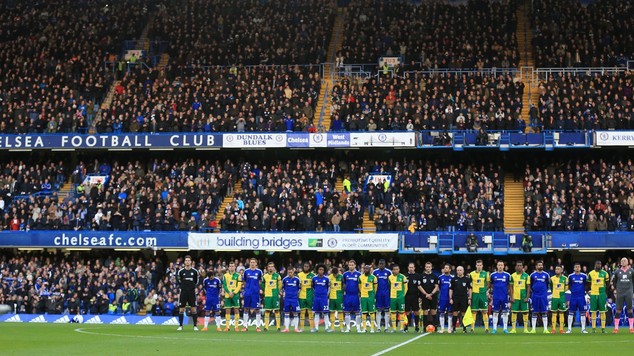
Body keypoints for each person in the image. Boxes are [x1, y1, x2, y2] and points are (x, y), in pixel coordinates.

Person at [176, 255, 200, 331]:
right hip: (183, 292)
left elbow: (197, 281)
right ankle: (180, 325)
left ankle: (195, 326)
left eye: (188, 260)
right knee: (181, 309)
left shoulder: (195, 271)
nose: (187, 262)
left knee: (193, 309)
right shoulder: (181, 271)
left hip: (191, 292)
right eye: (186, 260)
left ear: (191, 262)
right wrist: (183, 287)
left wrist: (192, 287)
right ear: (184, 262)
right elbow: (178, 281)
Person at [611, 257, 634, 333]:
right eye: (622, 261)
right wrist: (616, 289)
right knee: (618, 310)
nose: (623, 262)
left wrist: (632, 291)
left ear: (628, 262)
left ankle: (631, 328)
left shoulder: (631, 271)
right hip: (620, 293)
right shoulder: (617, 271)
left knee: (630, 309)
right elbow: (614, 281)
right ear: (620, 263)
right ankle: (616, 328)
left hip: (628, 292)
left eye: (625, 261)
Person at [241, 258, 264, 332]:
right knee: (246, 308)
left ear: (256, 263)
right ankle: (245, 326)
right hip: (247, 293)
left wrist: (258, 288)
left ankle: (258, 326)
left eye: (254, 262)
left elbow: (261, 281)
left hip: (255, 293)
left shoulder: (259, 272)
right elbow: (244, 281)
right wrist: (247, 289)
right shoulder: (246, 271)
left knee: (257, 309)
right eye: (251, 262)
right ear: (249, 263)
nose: (252, 263)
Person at [588, 260, 610, 333]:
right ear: (595, 265)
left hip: (602, 295)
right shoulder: (591, 273)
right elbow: (588, 284)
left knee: (602, 312)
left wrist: (605, 293)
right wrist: (589, 291)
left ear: (601, 265)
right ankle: (593, 328)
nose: (598, 265)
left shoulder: (605, 273)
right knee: (593, 312)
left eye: (600, 264)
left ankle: (603, 328)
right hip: (593, 294)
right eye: (597, 264)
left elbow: (607, 284)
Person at [468, 259, 490, 332]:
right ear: (476, 266)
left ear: (482, 266)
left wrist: (485, 290)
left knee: (484, 311)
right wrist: (470, 296)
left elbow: (488, 284)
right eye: (478, 265)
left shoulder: (486, 274)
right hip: (475, 295)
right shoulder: (471, 274)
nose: (479, 267)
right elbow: (469, 285)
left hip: (483, 295)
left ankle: (486, 328)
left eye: (480, 265)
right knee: (474, 312)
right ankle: (472, 328)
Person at [490, 261, 511, 334]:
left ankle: (505, 328)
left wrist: (509, 295)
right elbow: (491, 285)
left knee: (505, 313)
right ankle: (494, 329)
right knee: (495, 313)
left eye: (501, 265)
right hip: (496, 297)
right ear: (497, 266)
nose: (500, 266)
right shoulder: (492, 275)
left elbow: (510, 286)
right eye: (499, 265)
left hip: (504, 296)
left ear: (504, 266)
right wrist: (491, 294)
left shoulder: (507, 275)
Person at [567, 262, 588, 333]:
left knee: (583, 313)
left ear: (580, 268)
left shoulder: (584, 276)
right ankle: (569, 329)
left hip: (581, 297)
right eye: (576, 267)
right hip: (573, 297)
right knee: (571, 313)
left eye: (578, 267)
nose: (577, 268)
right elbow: (568, 285)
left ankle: (583, 329)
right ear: (574, 268)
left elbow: (586, 285)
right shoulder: (570, 276)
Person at [509, 260, 530, 333]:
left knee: (525, 312)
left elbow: (528, 287)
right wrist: (511, 297)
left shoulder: (526, 276)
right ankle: (513, 329)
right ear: (515, 267)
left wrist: (527, 297)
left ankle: (525, 329)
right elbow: (511, 287)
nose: (519, 267)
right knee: (514, 312)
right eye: (517, 266)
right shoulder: (512, 276)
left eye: (520, 266)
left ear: (522, 267)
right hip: (515, 297)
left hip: (523, 297)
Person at [529, 260, 550, 333]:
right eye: (539, 265)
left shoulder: (546, 275)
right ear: (536, 266)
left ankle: (545, 329)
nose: (540, 266)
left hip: (543, 296)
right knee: (534, 312)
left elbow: (547, 285)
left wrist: (544, 292)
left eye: (541, 265)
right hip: (535, 296)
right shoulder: (532, 275)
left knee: (544, 312)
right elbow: (530, 285)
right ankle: (533, 329)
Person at [281, 265, 302, 333]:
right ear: (287, 272)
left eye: (291, 272)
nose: (290, 273)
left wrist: (297, 294)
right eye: (289, 272)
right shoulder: (285, 279)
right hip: (287, 299)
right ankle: (286, 328)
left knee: (295, 313)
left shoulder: (297, 279)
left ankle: (296, 328)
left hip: (294, 299)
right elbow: (282, 288)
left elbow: (300, 288)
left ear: (293, 272)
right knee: (286, 313)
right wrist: (283, 293)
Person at [450, 266, 471, 333]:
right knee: (455, 313)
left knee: (463, 313)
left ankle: (464, 328)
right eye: (458, 270)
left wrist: (469, 298)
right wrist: (450, 298)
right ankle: (454, 328)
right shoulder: (453, 279)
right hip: (455, 298)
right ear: (456, 271)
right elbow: (451, 289)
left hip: (464, 298)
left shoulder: (467, 279)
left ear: (463, 271)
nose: (459, 271)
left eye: (460, 270)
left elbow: (470, 289)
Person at [343, 259, 362, 332]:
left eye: (352, 265)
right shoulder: (345, 274)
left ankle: (358, 328)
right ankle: (348, 328)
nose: (351, 266)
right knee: (347, 312)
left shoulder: (359, 274)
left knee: (357, 312)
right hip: (347, 295)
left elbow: (360, 284)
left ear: (355, 265)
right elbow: (344, 284)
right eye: (349, 265)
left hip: (355, 295)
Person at [222, 262, 242, 332]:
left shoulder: (238, 275)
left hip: (235, 295)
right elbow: (224, 285)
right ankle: (227, 326)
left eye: (232, 266)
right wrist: (229, 292)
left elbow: (239, 285)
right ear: (228, 267)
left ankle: (236, 326)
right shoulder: (225, 275)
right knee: (227, 310)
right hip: (228, 295)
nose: (231, 267)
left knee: (236, 310)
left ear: (235, 267)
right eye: (230, 266)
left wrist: (234, 292)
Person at [311, 264, 331, 332]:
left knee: (325, 313)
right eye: (319, 269)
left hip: (324, 298)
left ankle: (326, 328)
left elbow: (329, 288)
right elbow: (313, 287)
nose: (321, 271)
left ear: (324, 270)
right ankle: (316, 328)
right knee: (316, 313)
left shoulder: (327, 279)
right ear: (317, 270)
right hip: (316, 298)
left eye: (322, 270)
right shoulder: (314, 278)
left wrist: (326, 295)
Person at [373, 259, 392, 331]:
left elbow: (391, 283)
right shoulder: (375, 272)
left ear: (385, 264)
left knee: (387, 310)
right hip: (378, 294)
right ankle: (378, 327)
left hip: (386, 294)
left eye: (382, 264)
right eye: (380, 264)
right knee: (378, 311)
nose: (381, 265)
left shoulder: (388, 272)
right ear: (378, 264)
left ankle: (386, 327)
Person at [388, 264, 408, 332]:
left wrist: (403, 295)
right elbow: (389, 287)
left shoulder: (403, 277)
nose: (396, 270)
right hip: (393, 297)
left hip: (400, 298)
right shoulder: (390, 277)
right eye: (394, 269)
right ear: (392, 270)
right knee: (393, 313)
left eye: (397, 269)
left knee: (401, 312)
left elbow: (406, 287)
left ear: (399, 270)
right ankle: (394, 328)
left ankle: (402, 328)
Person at [262, 262, 282, 331]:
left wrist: (277, 291)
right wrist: (265, 291)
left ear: (274, 268)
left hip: (275, 295)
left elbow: (280, 285)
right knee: (267, 311)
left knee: (276, 310)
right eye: (269, 266)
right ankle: (266, 327)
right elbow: (262, 285)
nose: (270, 268)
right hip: (268, 296)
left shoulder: (277, 276)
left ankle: (278, 327)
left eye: (272, 266)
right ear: (267, 268)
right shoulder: (264, 276)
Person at [359, 264, 378, 333]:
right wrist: (362, 293)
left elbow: (375, 288)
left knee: (372, 312)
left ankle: (372, 328)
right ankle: (364, 328)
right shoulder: (360, 277)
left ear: (370, 270)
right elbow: (360, 287)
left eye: (367, 269)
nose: (366, 270)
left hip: (371, 297)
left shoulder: (373, 277)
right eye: (365, 269)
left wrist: (372, 295)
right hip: (363, 297)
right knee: (364, 313)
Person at [549, 265, 568, 334]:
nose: (557, 270)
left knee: (561, 313)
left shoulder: (565, 278)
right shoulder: (552, 278)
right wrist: (554, 293)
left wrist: (562, 292)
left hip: (562, 298)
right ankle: (553, 329)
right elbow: (551, 287)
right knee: (554, 313)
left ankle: (561, 329)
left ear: (561, 270)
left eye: (558, 269)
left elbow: (567, 287)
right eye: (556, 269)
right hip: (554, 298)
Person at [298, 262, 316, 331]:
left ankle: (311, 328)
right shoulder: (299, 275)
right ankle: (302, 328)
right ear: (303, 267)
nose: (306, 267)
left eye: (307, 266)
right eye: (305, 266)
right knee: (302, 312)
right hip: (301, 296)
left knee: (310, 312)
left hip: (310, 296)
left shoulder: (313, 276)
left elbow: (314, 286)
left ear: (309, 267)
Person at [438, 263, 454, 333]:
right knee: (441, 313)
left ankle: (449, 328)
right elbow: (438, 287)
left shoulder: (453, 278)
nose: (445, 269)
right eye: (444, 268)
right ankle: (442, 328)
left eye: (447, 268)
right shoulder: (440, 277)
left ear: (450, 269)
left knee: (450, 313)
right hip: (442, 298)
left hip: (450, 298)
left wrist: (452, 298)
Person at [328, 266, 345, 332]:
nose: (335, 275)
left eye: (336, 274)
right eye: (334, 274)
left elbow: (344, 286)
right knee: (332, 312)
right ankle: (332, 328)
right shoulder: (329, 277)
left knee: (340, 312)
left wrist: (343, 293)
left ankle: (341, 328)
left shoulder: (341, 277)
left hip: (339, 297)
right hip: (332, 297)